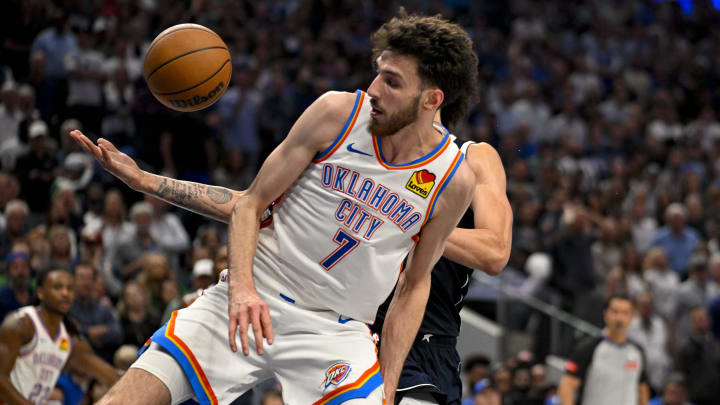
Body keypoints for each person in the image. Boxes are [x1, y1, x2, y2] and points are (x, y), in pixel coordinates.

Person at [70, 10, 476, 405]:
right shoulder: (338, 114)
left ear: (431, 99)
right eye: (377, 72)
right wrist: (242, 289)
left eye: (392, 82)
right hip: (254, 293)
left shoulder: (453, 179)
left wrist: (389, 384)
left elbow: (415, 283)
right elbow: (251, 204)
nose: (373, 88)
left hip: (335, 332)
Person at [371, 116, 512, 404]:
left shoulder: (472, 157)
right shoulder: (362, 146)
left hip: (432, 341)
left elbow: (495, 252)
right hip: (362, 329)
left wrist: (412, 223)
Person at [0, 268, 119, 405]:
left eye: (70, 288)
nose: (65, 293)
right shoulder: (20, 324)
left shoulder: (69, 338)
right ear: (40, 293)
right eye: (58, 287)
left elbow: (111, 376)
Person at [557, 294, 650, 405]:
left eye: (625, 313)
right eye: (615, 312)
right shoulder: (589, 348)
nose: (619, 318)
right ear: (606, 314)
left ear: (632, 317)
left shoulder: (637, 352)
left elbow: (642, 388)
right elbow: (567, 385)